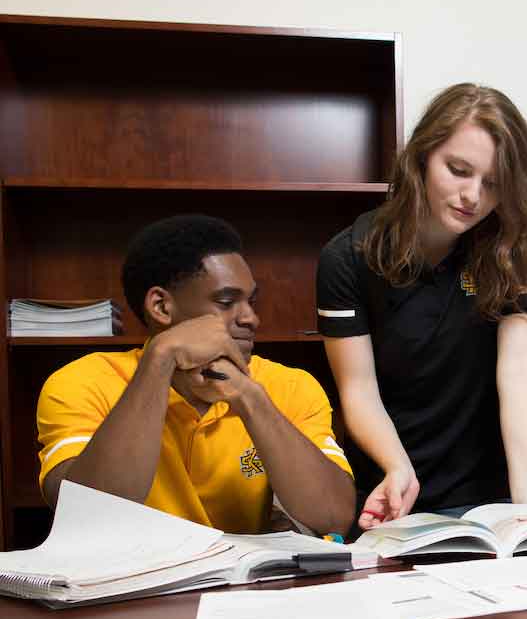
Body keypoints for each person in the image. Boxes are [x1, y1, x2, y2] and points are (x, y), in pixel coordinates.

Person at [317, 83, 527, 528]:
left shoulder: (516, 249)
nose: (473, 196)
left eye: (493, 184)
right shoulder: (348, 256)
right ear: (422, 156)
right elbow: (359, 391)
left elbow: (521, 371)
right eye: (458, 170)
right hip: (391, 498)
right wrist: (397, 469)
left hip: (487, 504)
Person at [36, 215, 356, 535]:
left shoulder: (291, 386)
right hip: (131, 581)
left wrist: (249, 397)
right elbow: (89, 517)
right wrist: (160, 359)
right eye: (226, 301)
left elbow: (333, 516)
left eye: (251, 301)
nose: (251, 318)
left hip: (242, 582)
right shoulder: (81, 382)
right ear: (161, 307)